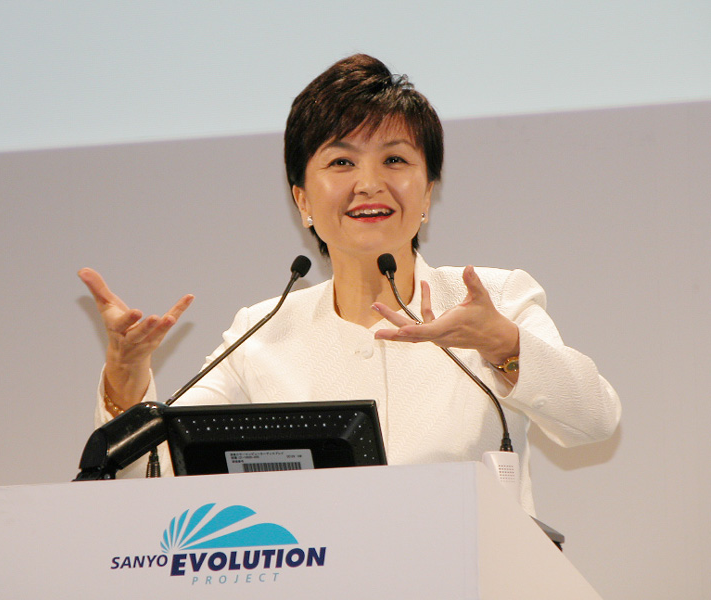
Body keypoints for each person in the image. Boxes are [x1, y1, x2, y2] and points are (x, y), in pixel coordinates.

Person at [79, 54, 620, 515]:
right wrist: (126, 376)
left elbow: (594, 420)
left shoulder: (494, 300)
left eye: (395, 159)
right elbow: (154, 476)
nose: (369, 183)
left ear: (428, 192)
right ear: (303, 200)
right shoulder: (261, 332)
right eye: (341, 161)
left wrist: (502, 343)